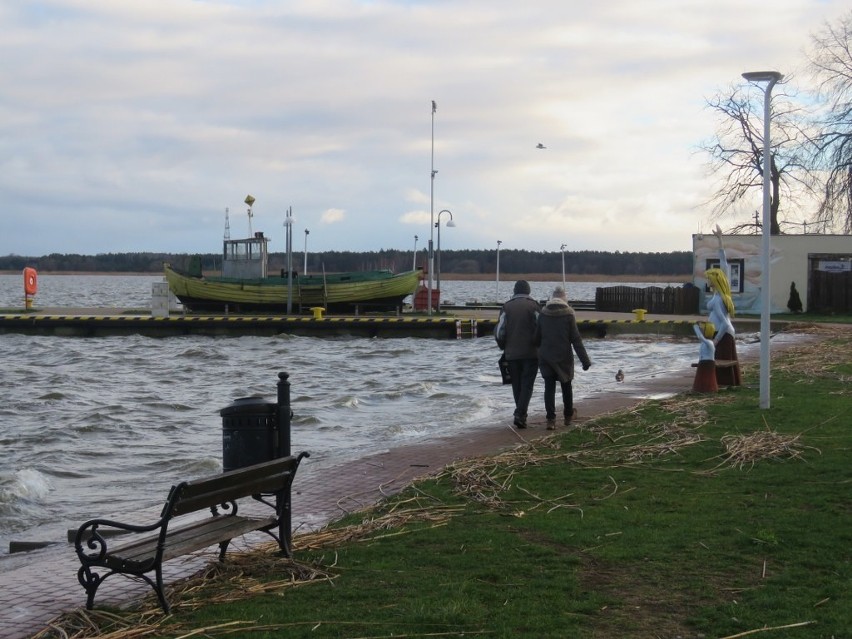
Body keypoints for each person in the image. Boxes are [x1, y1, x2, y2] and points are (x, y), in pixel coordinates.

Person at [534, 286, 591, 430]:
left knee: (549, 388)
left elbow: (536, 339)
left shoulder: (543, 314)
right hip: (564, 357)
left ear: (551, 298)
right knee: (566, 386)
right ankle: (567, 417)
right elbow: (576, 340)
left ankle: (551, 420)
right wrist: (585, 361)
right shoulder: (569, 315)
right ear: (565, 298)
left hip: (546, 357)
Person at [494, 280, 540, 428]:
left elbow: (500, 331)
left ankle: (521, 414)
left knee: (517, 384)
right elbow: (541, 328)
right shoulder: (535, 306)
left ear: (514, 291)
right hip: (531, 353)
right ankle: (520, 414)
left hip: (511, 353)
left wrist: (502, 346)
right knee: (527, 385)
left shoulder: (506, 307)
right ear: (528, 291)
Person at [692, 321, 718, 393]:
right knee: (701, 377)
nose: (701, 331)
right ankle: (701, 389)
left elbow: (700, 336)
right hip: (704, 362)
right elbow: (700, 337)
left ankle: (707, 389)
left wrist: (696, 327)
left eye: (702, 330)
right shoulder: (706, 342)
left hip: (707, 363)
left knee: (707, 378)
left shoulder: (709, 343)